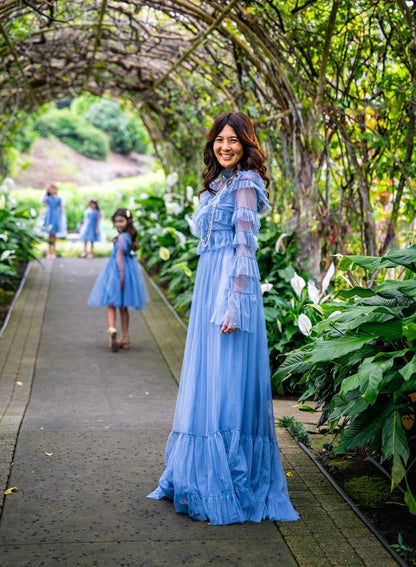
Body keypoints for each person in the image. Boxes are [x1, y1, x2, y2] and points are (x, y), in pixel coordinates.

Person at [148, 112, 299, 525]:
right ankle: (196, 472)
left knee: (227, 382)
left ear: (246, 144)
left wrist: (234, 303)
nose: (226, 146)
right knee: (208, 378)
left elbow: (245, 248)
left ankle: (232, 478)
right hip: (208, 284)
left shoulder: (247, 183)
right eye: (220, 139)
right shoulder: (218, 184)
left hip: (231, 289)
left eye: (234, 140)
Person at [88, 208, 148, 351]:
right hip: (129, 272)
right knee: (123, 307)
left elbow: (119, 258)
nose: (118, 224)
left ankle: (112, 330)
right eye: (116, 221)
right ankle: (125, 337)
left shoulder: (121, 238)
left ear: (128, 221)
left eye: (121, 221)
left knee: (111, 303)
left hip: (116, 272)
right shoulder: (129, 236)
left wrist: (121, 277)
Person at [40, 184, 67, 258]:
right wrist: (46, 193)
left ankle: (53, 251)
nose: (52, 190)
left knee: (54, 235)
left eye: (54, 189)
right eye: (51, 189)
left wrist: (61, 218)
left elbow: (61, 209)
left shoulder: (59, 198)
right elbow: (42, 201)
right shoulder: (47, 198)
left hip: (56, 217)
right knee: (49, 235)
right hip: (49, 217)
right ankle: (49, 251)